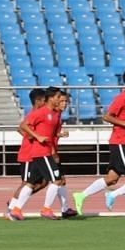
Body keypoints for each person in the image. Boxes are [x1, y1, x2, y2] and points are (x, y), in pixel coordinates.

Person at [72, 68, 125, 217]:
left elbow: (124, 119)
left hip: (121, 141)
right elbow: (107, 116)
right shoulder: (122, 98)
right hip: (119, 142)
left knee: (112, 179)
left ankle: (81, 195)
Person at [11, 86, 64, 219]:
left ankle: (16, 210)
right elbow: (23, 126)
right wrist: (37, 136)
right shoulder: (41, 112)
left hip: (42, 152)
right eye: (58, 97)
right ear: (50, 98)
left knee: (30, 183)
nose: (60, 100)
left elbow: (49, 133)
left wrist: (58, 135)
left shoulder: (54, 115)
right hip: (41, 152)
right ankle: (46, 209)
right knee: (57, 180)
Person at [5, 88, 46, 221]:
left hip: (35, 154)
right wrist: (31, 138)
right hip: (28, 155)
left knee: (44, 182)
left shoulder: (37, 113)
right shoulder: (34, 114)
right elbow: (21, 127)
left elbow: (21, 128)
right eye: (44, 100)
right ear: (38, 101)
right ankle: (11, 209)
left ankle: (14, 203)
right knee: (26, 183)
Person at [48, 90, 78, 219]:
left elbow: (51, 133)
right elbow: (46, 134)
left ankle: (65, 209)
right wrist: (53, 152)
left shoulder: (58, 115)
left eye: (66, 101)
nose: (65, 103)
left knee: (61, 180)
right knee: (35, 184)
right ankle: (15, 204)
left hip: (52, 150)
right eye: (62, 101)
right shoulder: (52, 115)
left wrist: (59, 134)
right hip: (48, 152)